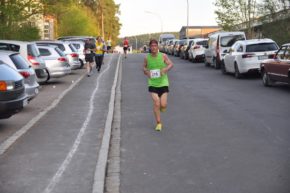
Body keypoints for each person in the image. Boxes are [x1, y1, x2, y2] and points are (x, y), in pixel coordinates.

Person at [143, 39, 173, 131]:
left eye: (155, 46)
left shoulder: (163, 56)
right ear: (150, 47)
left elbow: (171, 64)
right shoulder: (147, 57)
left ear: (158, 47)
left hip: (163, 83)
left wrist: (165, 69)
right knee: (156, 103)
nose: (153, 47)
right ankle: (159, 123)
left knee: (163, 104)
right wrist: (146, 72)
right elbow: (144, 67)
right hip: (152, 83)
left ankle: (162, 107)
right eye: (152, 46)